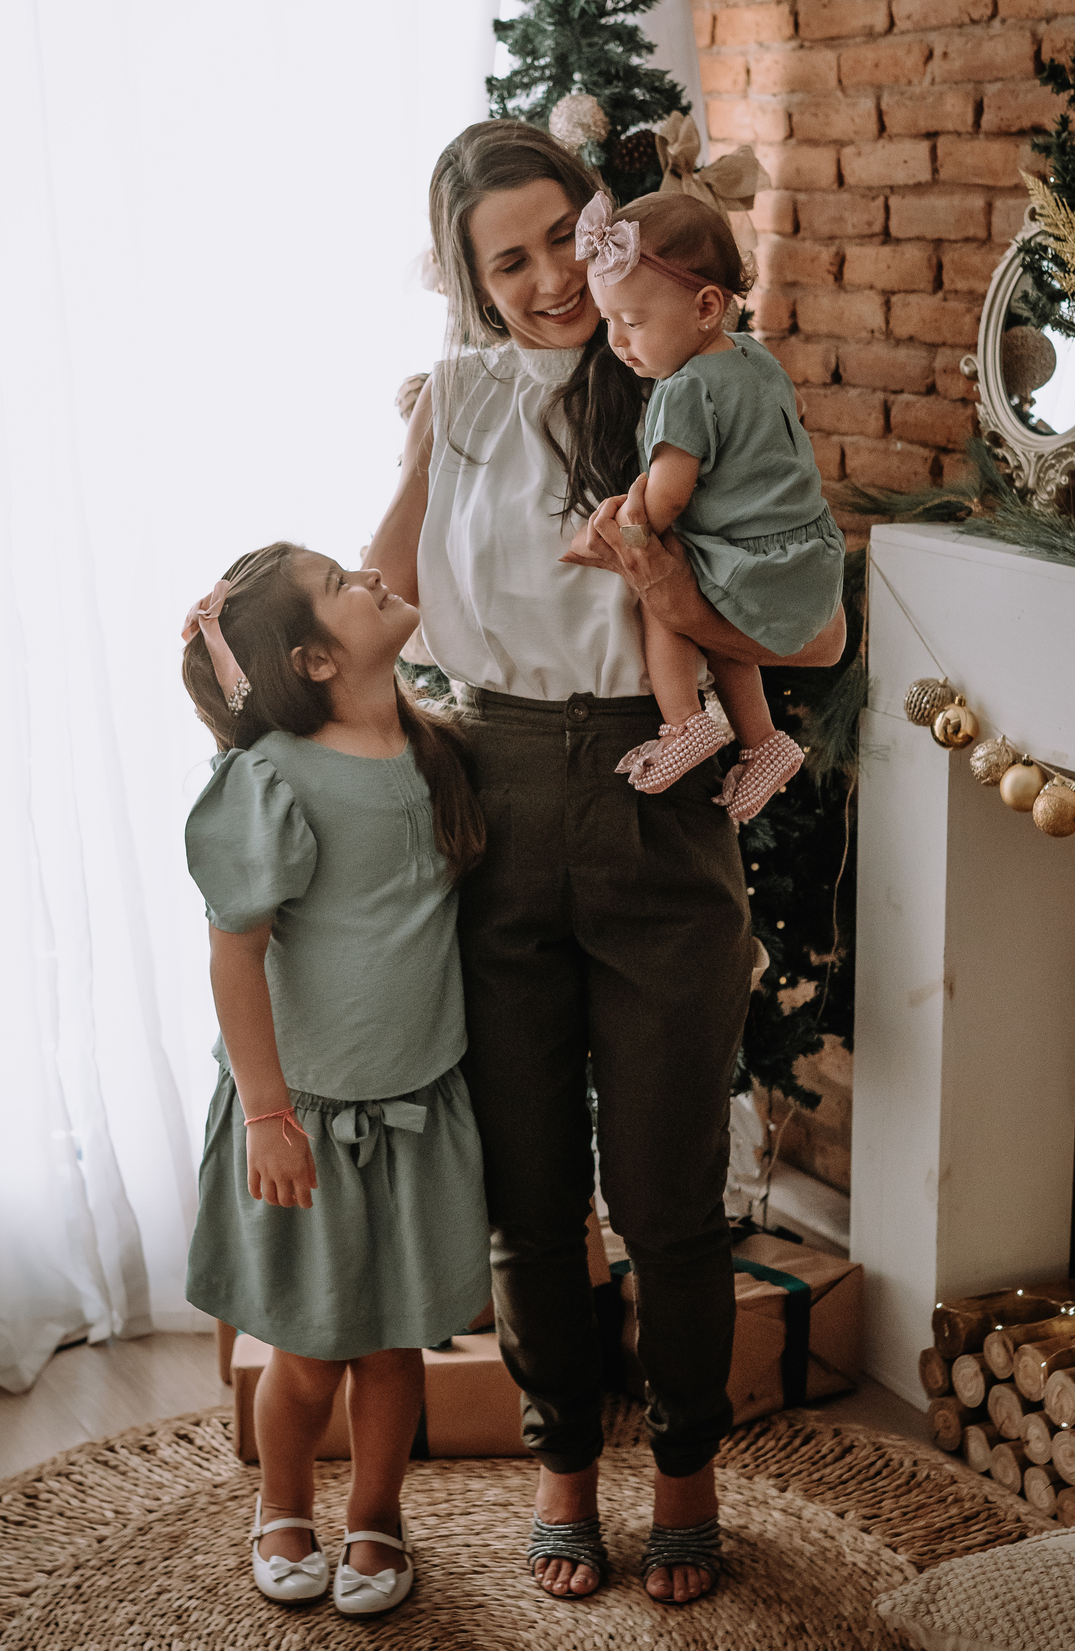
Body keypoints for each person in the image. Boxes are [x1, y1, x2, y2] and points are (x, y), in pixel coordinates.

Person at [366, 120, 846, 1608]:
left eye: (559, 239)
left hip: (659, 795)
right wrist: (251, 642)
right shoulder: (457, 398)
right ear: (470, 281)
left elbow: (817, 627)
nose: (547, 282)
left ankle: (687, 1474)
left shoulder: (687, 377)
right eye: (504, 261)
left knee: (667, 1192)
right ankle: (564, 1469)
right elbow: (381, 594)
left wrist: (659, 581)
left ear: (607, 226)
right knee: (530, 1195)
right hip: (492, 805)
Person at [181, 541, 489, 1618]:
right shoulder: (274, 779)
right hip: (305, 1118)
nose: (368, 576)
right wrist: (267, 1113)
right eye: (339, 584)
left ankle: (377, 1515)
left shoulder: (435, 747)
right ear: (314, 659)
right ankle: (283, 1508)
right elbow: (236, 954)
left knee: (395, 1346)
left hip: (416, 1110)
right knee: (309, 1353)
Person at [569, 191, 844, 822]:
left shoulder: (684, 388)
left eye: (632, 322)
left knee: (667, 600)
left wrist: (621, 536)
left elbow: (667, 496)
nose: (616, 341)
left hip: (750, 561)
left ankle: (685, 724)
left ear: (705, 307)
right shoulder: (754, 355)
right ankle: (764, 743)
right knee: (725, 625)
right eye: (608, 321)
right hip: (808, 549)